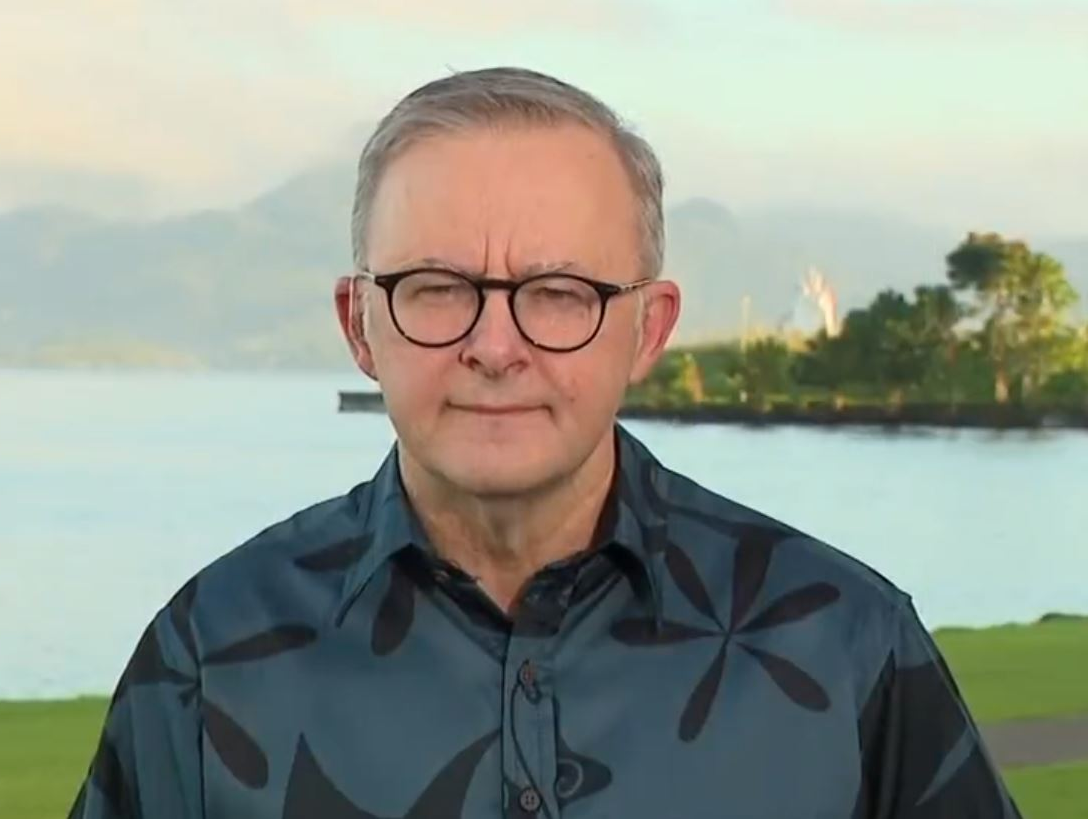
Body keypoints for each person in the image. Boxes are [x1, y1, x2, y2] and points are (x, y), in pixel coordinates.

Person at [70, 66, 1021, 818]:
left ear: (647, 329)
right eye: (437, 288)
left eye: (560, 294)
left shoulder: (842, 641)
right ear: (359, 325)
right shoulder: (210, 652)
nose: (495, 348)